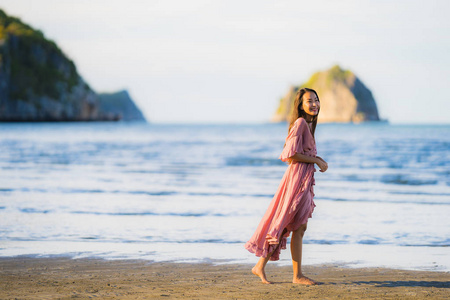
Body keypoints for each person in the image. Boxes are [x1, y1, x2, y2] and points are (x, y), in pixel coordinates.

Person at [244, 88, 328, 285]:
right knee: (289, 224)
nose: (314, 104)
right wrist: (315, 160)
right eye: (310, 101)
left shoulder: (307, 125)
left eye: (316, 100)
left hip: (303, 180)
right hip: (296, 180)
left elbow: (300, 153)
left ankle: (264, 267)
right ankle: (294, 275)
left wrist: (317, 159)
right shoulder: (300, 123)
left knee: (297, 225)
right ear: (300, 104)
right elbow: (288, 155)